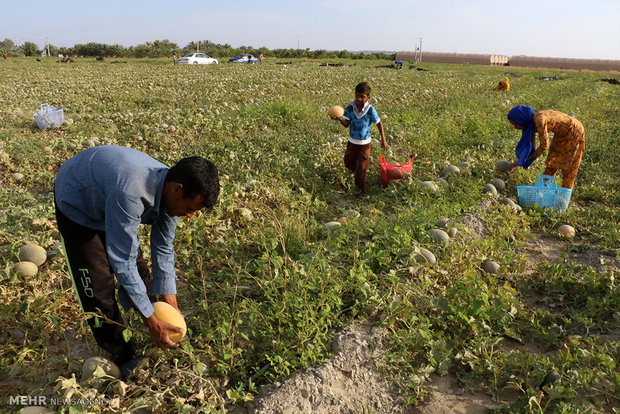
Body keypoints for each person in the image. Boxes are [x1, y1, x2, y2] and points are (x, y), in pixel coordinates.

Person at [54, 145, 220, 376]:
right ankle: (122, 353)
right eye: (191, 208)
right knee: (97, 288)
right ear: (177, 190)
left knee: (141, 275)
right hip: (79, 198)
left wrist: (170, 306)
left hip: (110, 194)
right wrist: (151, 322)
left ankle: (158, 324)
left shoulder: (172, 192)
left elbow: (163, 249)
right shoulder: (131, 192)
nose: (190, 215)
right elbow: (123, 261)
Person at [507, 105, 585, 189]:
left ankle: (564, 195)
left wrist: (527, 160)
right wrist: (522, 162)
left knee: (568, 166)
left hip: (574, 130)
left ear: (521, 119)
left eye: (515, 124)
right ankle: (544, 189)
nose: (515, 127)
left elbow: (544, 145)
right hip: (561, 133)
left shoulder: (539, 120)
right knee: (552, 161)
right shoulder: (529, 123)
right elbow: (531, 145)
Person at [334, 82, 388, 200]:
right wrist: (339, 119)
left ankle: (361, 191)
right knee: (348, 163)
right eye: (357, 95)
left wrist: (383, 140)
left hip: (365, 144)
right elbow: (346, 124)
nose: (359, 99)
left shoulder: (370, 109)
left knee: (362, 168)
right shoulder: (350, 107)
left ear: (368, 97)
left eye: (362, 96)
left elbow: (379, 123)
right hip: (352, 142)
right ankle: (356, 175)